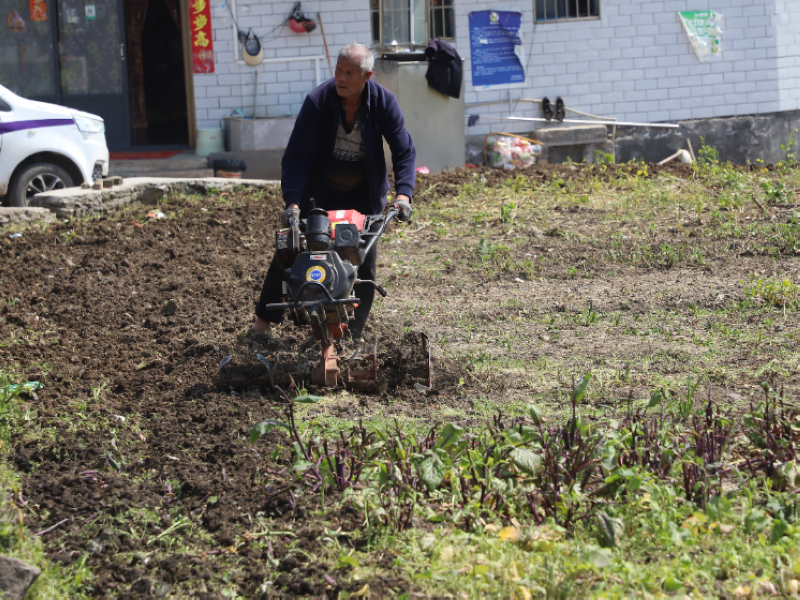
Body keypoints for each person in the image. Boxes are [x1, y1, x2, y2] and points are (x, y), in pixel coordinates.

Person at [251, 42, 416, 340]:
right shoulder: (318, 101)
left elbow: (404, 151)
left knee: (363, 262)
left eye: (349, 73)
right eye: (338, 70)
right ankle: (262, 326)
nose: (341, 78)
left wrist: (403, 195)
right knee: (290, 252)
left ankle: (348, 336)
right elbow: (296, 157)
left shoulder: (383, 102)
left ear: (367, 76)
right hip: (320, 195)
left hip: (362, 196)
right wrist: (292, 203)